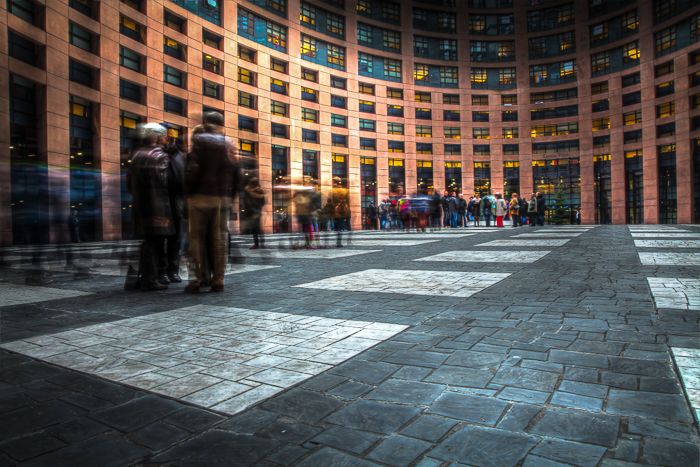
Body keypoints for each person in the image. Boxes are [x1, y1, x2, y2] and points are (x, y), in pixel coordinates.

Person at [184, 112, 239, 293]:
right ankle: (219, 280)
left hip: (200, 196)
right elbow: (236, 171)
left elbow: (194, 168)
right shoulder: (229, 143)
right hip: (222, 198)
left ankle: (196, 280)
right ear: (222, 124)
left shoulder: (201, 140)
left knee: (196, 240)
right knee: (219, 240)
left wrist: (188, 192)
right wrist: (230, 196)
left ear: (206, 123)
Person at [127, 123, 173, 291]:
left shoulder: (137, 154)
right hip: (158, 206)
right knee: (156, 243)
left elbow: (129, 184)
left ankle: (148, 277)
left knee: (148, 242)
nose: (166, 138)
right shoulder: (159, 155)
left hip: (140, 205)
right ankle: (150, 279)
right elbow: (166, 183)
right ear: (156, 137)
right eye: (164, 135)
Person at [159, 124, 185, 284]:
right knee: (159, 238)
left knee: (176, 238)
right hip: (160, 202)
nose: (171, 137)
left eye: (173, 134)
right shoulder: (156, 153)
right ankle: (161, 270)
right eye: (168, 134)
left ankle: (173, 270)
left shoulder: (177, 155)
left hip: (177, 203)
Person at [244, 178, 265, 249]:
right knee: (258, 228)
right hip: (258, 210)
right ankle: (262, 244)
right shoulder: (260, 190)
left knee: (254, 228)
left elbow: (246, 201)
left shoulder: (247, 190)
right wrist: (258, 206)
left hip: (251, 210)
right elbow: (263, 202)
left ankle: (256, 244)